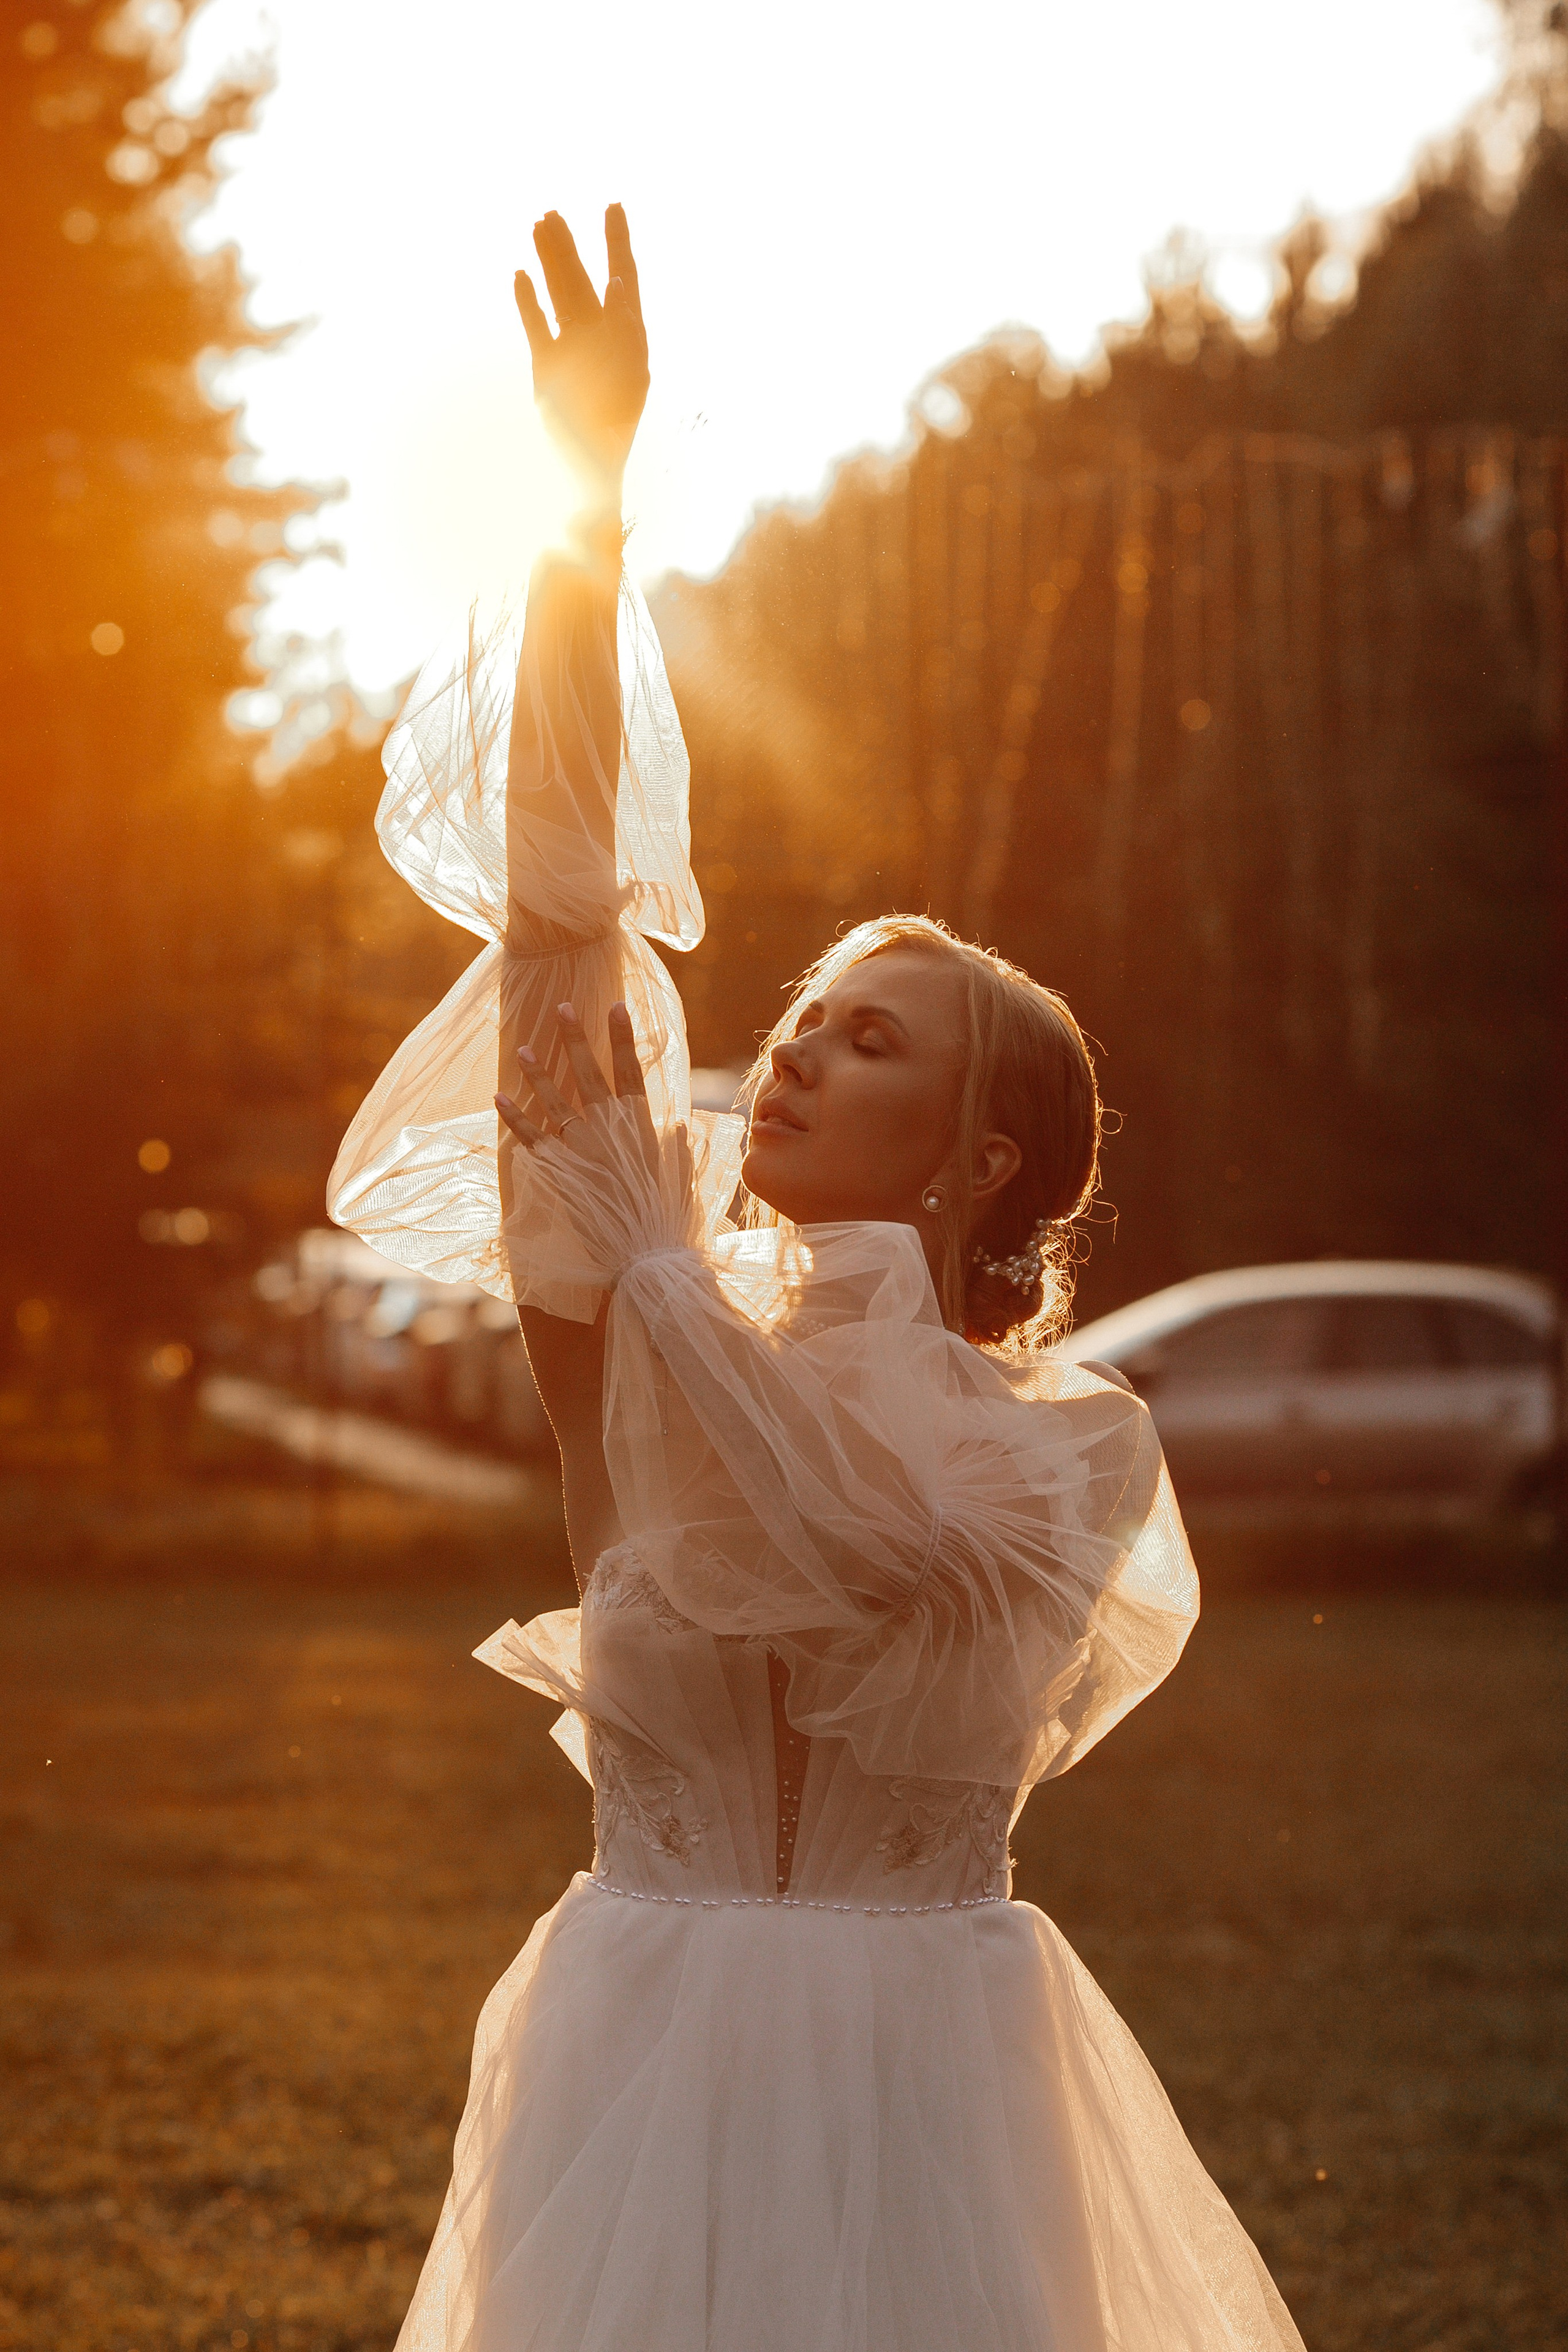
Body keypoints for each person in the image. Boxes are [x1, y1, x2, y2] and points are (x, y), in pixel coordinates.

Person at [329, 208, 1306, 2352]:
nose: (790, 1050)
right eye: (801, 1015)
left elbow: (868, 1560)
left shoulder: (1068, 1457)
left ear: (984, 1159)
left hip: (937, 2084)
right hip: (633, 2050)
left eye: (872, 1040)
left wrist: (675, 1292)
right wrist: (587, 522)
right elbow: (563, 929)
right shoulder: (633, 1318)